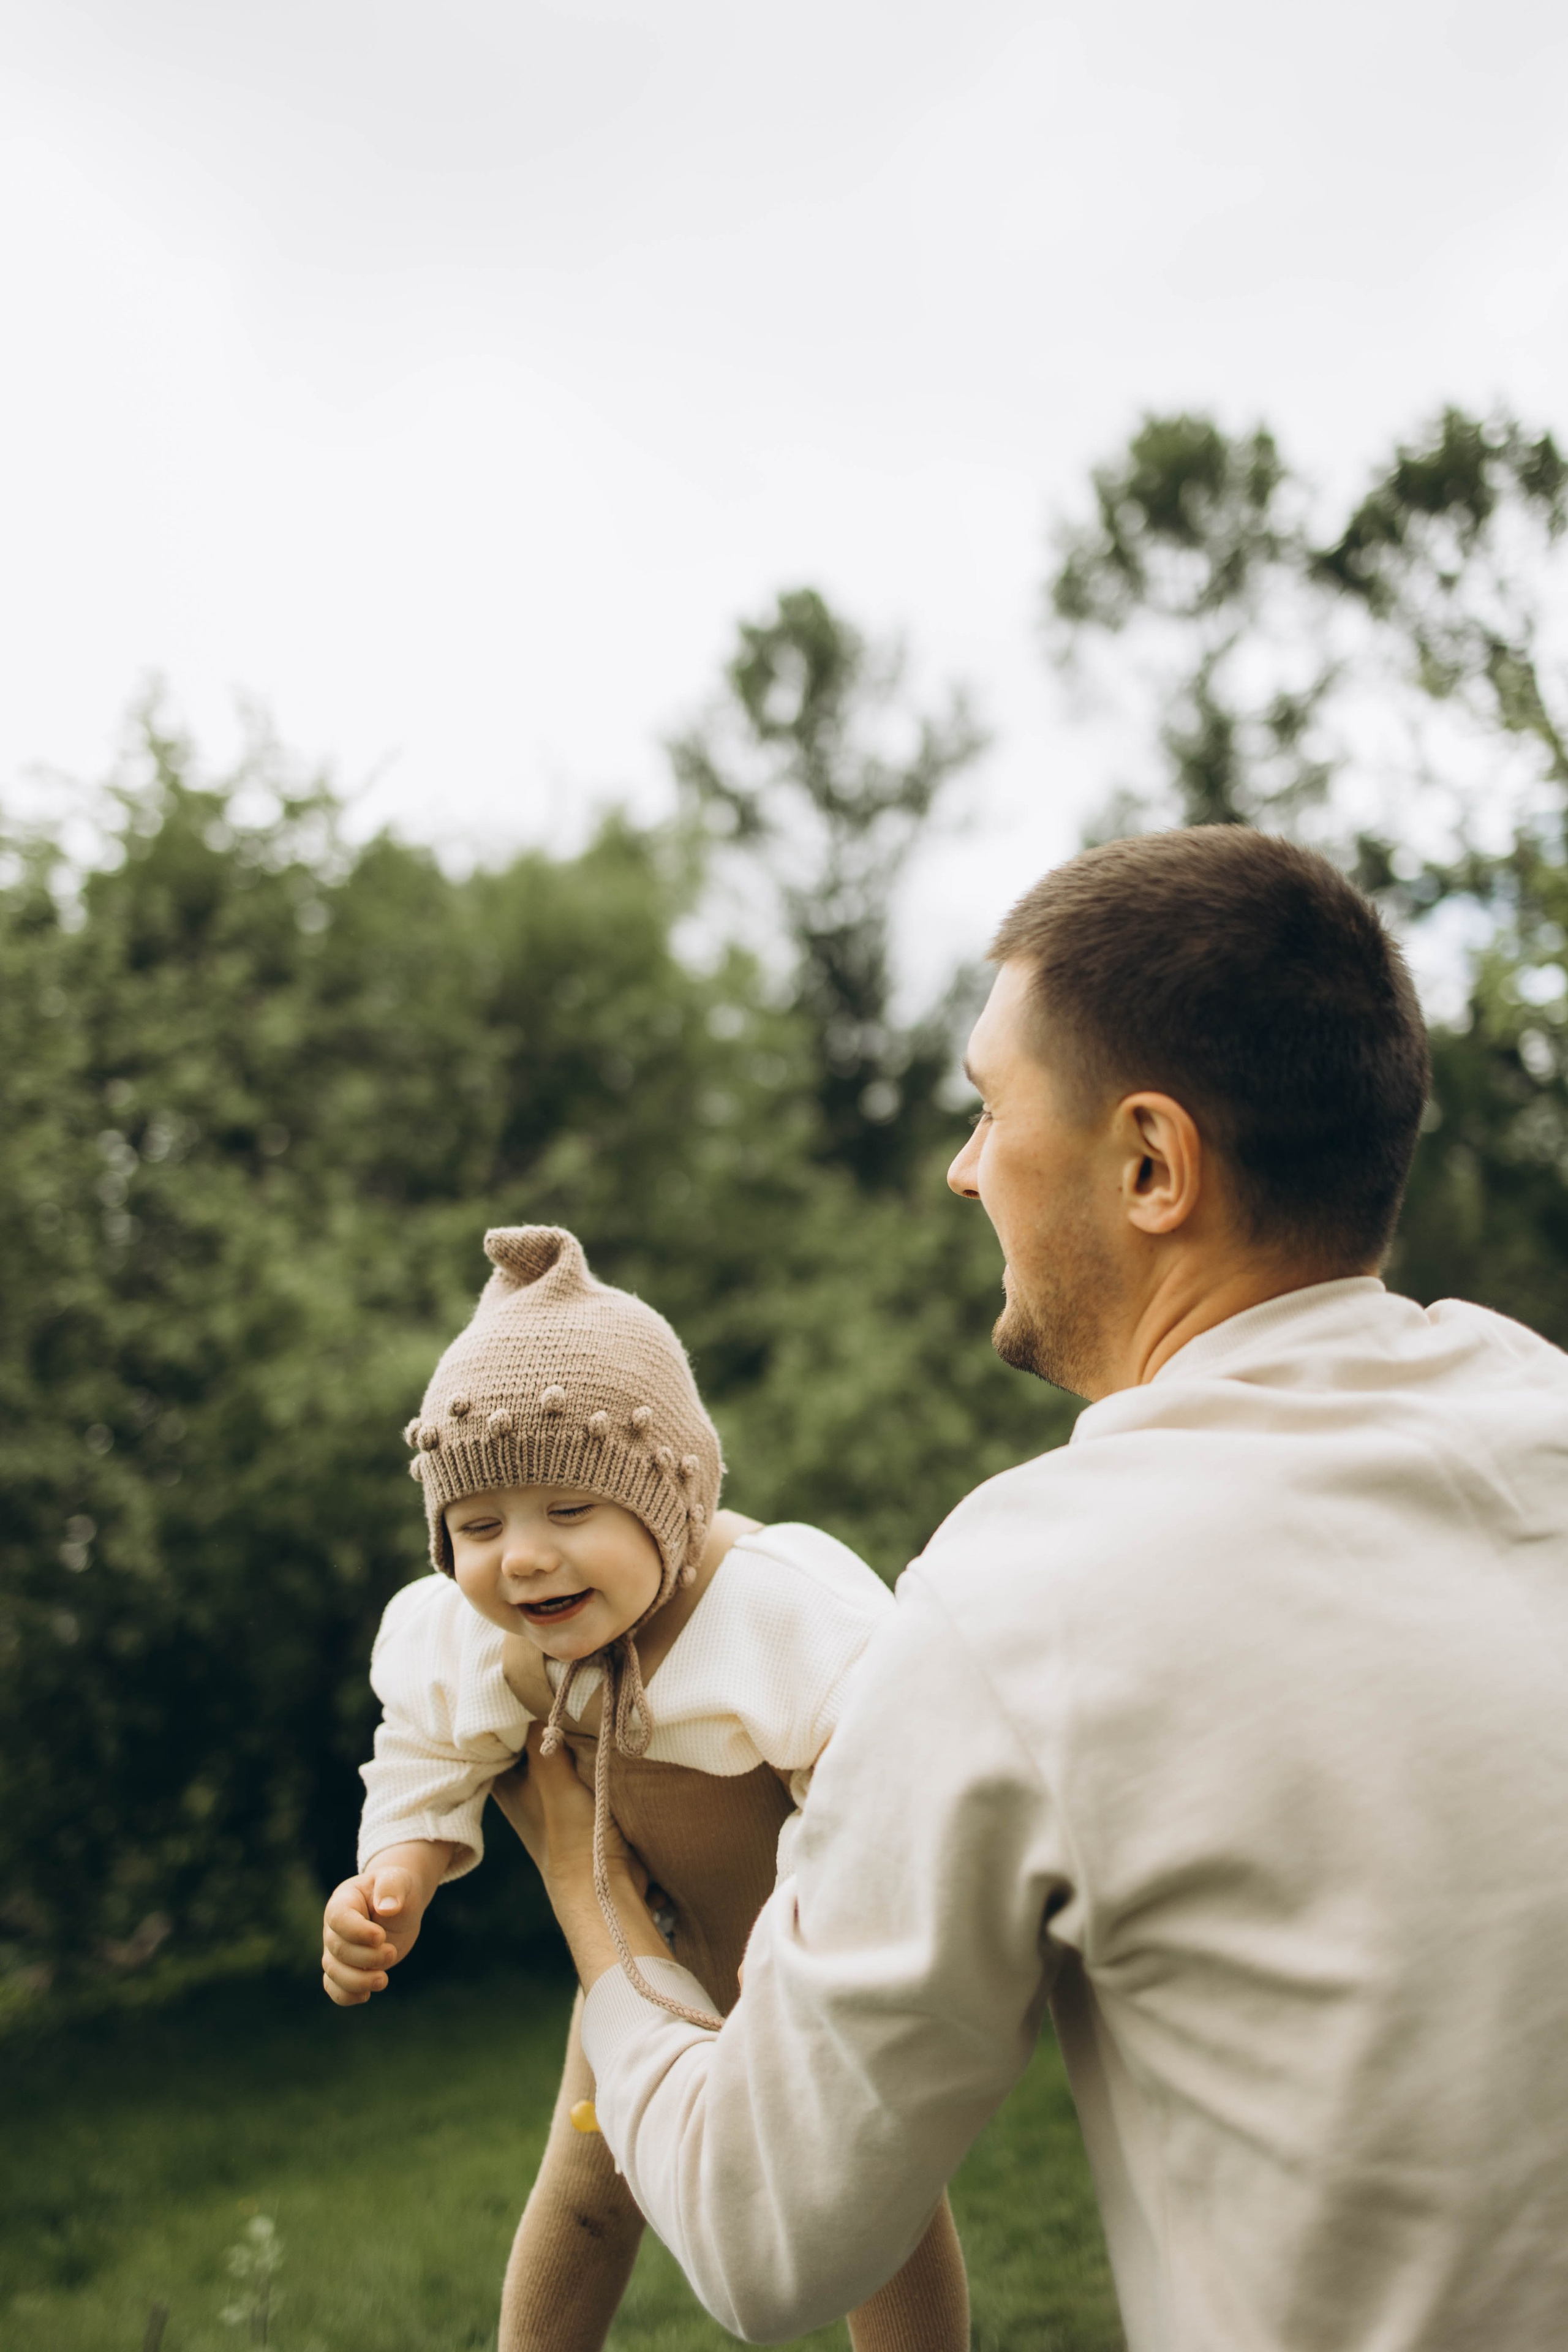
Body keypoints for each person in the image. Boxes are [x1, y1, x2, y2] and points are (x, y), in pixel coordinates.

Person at [505, 829, 1568, 2352]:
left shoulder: (1026, 1595)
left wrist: (585, 1891)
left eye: (987, 1108)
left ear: (1149, 1165)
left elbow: (763, 2237)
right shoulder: (1533, 1401)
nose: (960, 1169)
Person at [318, 1223, 968, 2352]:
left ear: (666, 1498)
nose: (521, 1557)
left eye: (570, 1512)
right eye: (478, 1527)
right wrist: (395, 1876)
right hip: (636, 1964)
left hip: (808, 1972)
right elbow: (429, 1753)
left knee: (878, 2204)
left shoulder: (768, 1606)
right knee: (586, 2183)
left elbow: (890, 1773)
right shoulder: (479, 1644)